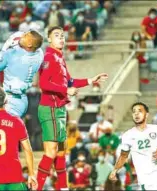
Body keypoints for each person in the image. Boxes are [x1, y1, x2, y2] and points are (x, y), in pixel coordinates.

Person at [36, 26, 108, 190]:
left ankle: (63, 187)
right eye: (56, 35)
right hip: (50, 108)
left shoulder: (60, 58)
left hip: (60, 108)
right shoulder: (49, 57)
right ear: (49, 39)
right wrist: (66, 90)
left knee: (62, 151)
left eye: (62, 35)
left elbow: (70, 81)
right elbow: (44, 83)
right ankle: (37, 187)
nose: (61, 38)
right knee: (51, 152)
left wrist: (91, 80)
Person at [109, 102, 157, 190]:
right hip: (146, 181)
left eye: (139, 111)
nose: (136, 113)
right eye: (134, 111)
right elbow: (123, 156)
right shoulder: (128, 135)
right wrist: (114, 171)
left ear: (147, 114)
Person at [0, 30, 44, 118]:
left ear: (29, 45)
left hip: (12, 101)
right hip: (21, 100)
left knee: (4, 128)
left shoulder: (13, 54)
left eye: (25, 36)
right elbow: (36, 45)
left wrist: (5, 48)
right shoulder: (39, 54)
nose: (22, 36)